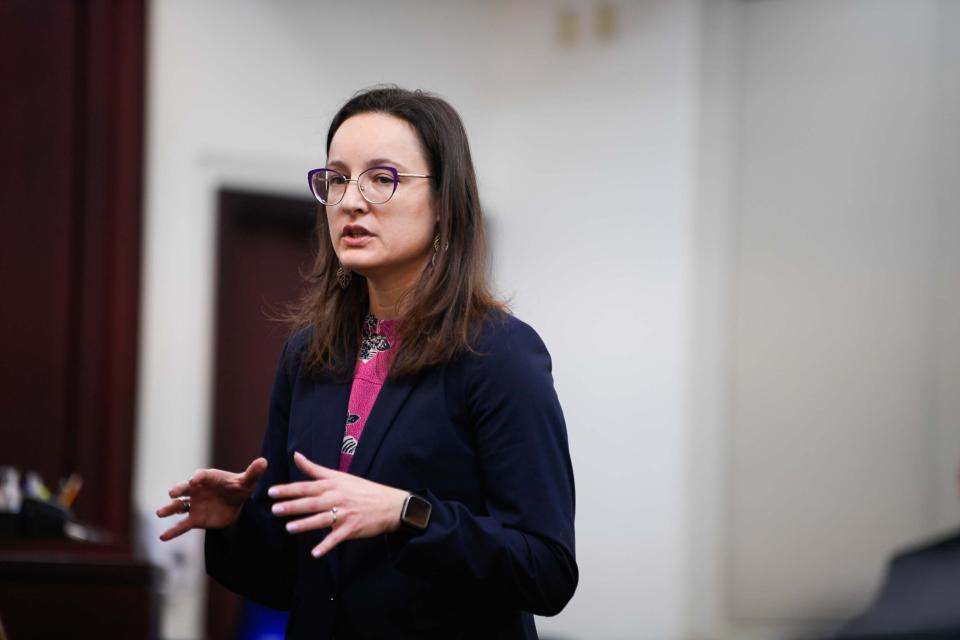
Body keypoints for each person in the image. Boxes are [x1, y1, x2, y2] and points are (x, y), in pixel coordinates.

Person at [155, 86, 578, 639]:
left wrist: (407, 513)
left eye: (382, 179)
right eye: (336, 179)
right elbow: (292, 579)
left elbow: (546, 570)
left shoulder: (498, 353)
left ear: (446, 202)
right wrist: (237, 522)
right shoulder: (307, 355)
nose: (351, 200)